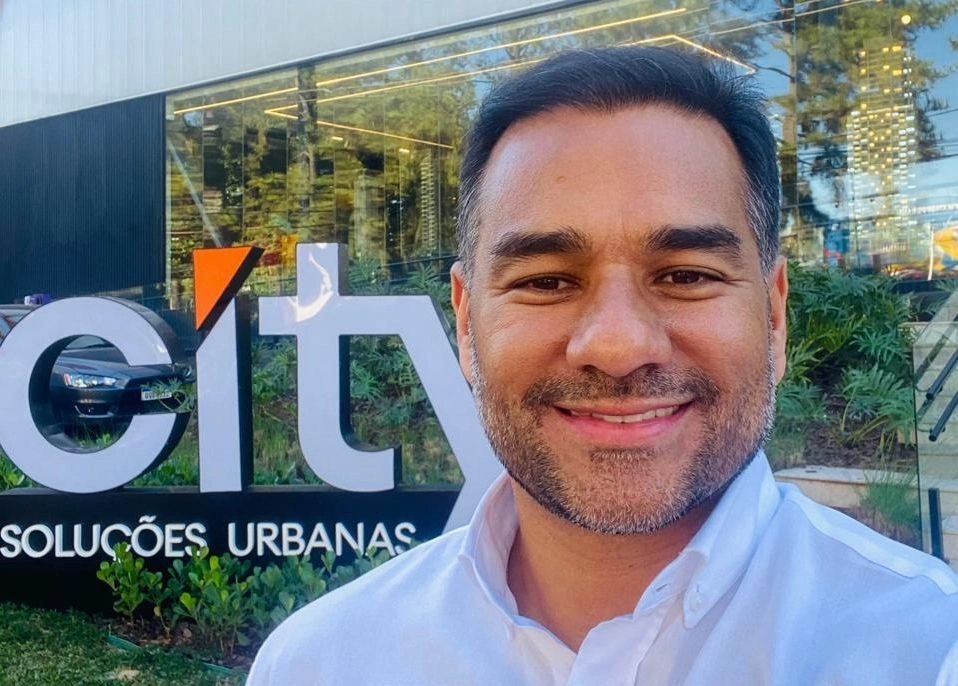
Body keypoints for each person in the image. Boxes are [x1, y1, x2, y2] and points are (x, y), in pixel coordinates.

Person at [248, 46, 958, 684]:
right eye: (546, 281)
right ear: (466, 323)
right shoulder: (320, 664)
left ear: (773, 317)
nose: (617, 348)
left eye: (686, 275)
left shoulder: (929, 651)